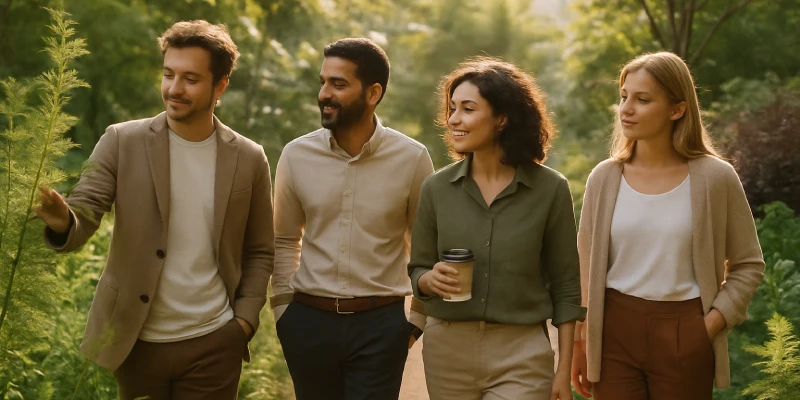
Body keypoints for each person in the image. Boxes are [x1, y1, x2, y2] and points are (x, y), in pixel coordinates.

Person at [34, 20, 274, 399]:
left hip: (214, 341)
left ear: (220, 85)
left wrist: (243, 321)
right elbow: (85, 210)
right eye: (168, 74)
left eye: (190, 79)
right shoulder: (121, 140)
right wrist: (64, 221)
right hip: (135, 341)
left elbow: (261, 249)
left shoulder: (249, 158)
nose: (174, 89)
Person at [571, 52, 765, 400]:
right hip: (613, 332)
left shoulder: (715, 178)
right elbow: (583, 267)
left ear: (677, 109)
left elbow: (748, 264)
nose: (626, 109)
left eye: (642, 100)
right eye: (624, 96)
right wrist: (579, 338)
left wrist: (710, 324)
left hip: (684, 330)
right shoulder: (604, 178)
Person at [408, 57, 585, 400]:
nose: (453, 120)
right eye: (452, 108)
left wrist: (562, 371)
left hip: (522, 353)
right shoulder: (436, 189)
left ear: (502, 118)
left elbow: (566, 286)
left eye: (467, 109)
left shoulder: (551, 190)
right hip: (448, 352)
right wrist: (428, 280)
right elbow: (418, 268)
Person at [270, 37, 434, 400]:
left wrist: (415, 320)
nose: (324, 94)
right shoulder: (296, 155)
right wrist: (284, 310)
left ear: (373, 92)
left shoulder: (412, 159)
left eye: (338, 84)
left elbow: (424, 244)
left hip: (382, 325)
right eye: (323, 81)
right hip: (308, 322)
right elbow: (284, 239)